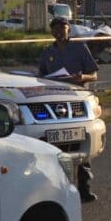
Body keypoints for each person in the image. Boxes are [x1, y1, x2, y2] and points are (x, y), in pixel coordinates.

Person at [39, 16, 100, 202]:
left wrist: (83, 77)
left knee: (81, 144)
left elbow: (94, 75)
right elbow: (41, 75)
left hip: (78, 102)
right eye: (55, 29)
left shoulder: (80, 48)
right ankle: (57, 192)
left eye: (62, 28)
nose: (58, 32)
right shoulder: (47, 52)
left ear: (69, 30)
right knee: (55, 148)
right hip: (55, 105)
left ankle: (84, 188)